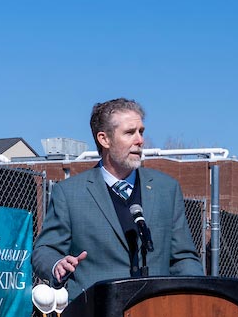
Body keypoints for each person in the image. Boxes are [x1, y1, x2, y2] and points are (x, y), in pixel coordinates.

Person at [32, 98, 203, 299]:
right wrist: (57, 265)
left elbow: (184, 257)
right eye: (130, 133)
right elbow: (44, 251)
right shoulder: (70, 193)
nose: (140, 140)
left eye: (141, 131)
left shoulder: (166, 189)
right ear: (104, 139)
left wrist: (197, 296)